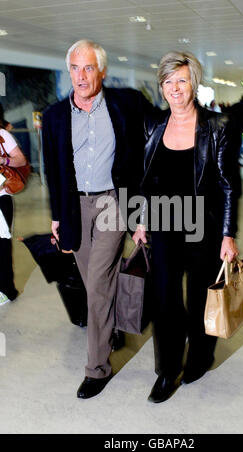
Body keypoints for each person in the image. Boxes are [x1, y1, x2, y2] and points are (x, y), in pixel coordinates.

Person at [42, 40, 155, 399]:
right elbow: (54, 170)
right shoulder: (56, 116)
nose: (81, 75)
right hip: (75, 207)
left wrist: (141, 215)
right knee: (97, 287)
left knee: (98, 281)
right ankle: (112, 327)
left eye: (89, 67)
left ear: (102, 71)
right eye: (75, 68)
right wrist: (57, 216)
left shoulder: (126, 103)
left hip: (112, 204)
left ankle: (97, 369)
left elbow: (154, 142)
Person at [133, 51, 240, 403]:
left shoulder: (217, 126)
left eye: (181, 80)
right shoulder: (153, 124)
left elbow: (227, 183)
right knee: (165, 300)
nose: (174, 88)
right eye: (168, 81)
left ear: (193, 83)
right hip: (163, 223)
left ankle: (199, 357)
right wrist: (139, 220)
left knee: (199, 298)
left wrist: (228, 233)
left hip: (202, 226)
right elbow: (143, 178)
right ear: (161, 86)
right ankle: (166, 370)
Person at [0, 122, 27, 305]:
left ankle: (6, 290)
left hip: (1, 197)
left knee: (1, 247)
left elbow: (21, 160)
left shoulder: (2, 134)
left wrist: (3, 160)